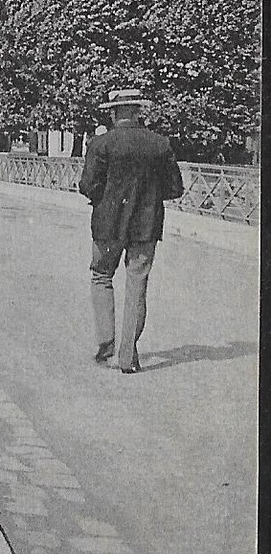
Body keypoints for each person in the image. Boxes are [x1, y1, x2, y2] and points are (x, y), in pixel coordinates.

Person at [77, 87, 185, 374]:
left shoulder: (101, 144)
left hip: (107, 226)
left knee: (101, 276)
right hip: (145, 226)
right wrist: (148, 196)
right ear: (138, 112)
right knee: (136, 286)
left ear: (114, 113)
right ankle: (128, 356)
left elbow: (88, 186)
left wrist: (104, 198)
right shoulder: (159, 144)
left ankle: (105, 341)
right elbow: (175, 188)